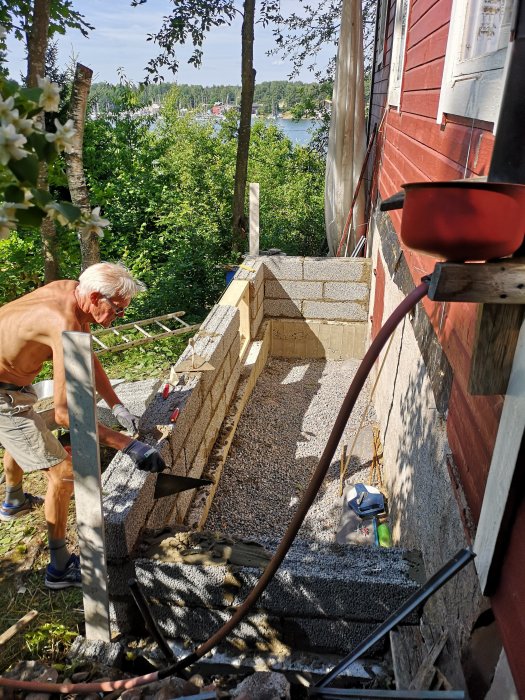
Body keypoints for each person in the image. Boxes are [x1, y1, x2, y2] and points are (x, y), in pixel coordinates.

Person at [0, 262, 166, 589]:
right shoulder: (62, 322)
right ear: (94, 296)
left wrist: (116, 405)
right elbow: (65, 416)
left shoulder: (69, 292)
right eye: (117, 311)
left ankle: (13, 501)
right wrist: (128, 445)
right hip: (3, 395)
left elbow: (85, 353)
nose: (118, 318)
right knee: (63, 473)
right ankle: (59, 568)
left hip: (12, 383)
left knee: (26, 431)